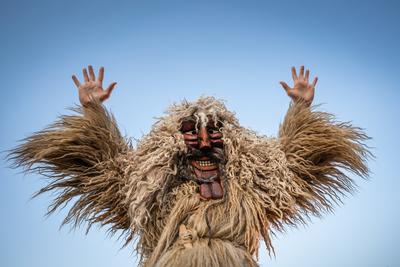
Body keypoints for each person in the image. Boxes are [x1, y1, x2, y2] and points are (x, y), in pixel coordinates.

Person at [10, 65, 370, 267]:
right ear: (173, 142)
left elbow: (296, 163)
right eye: (191, 134)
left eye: (213, 134)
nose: (202, 143)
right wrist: (93, 111)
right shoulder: (150, 190)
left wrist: (300, 109)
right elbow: (103, 166)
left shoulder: (251, 188)